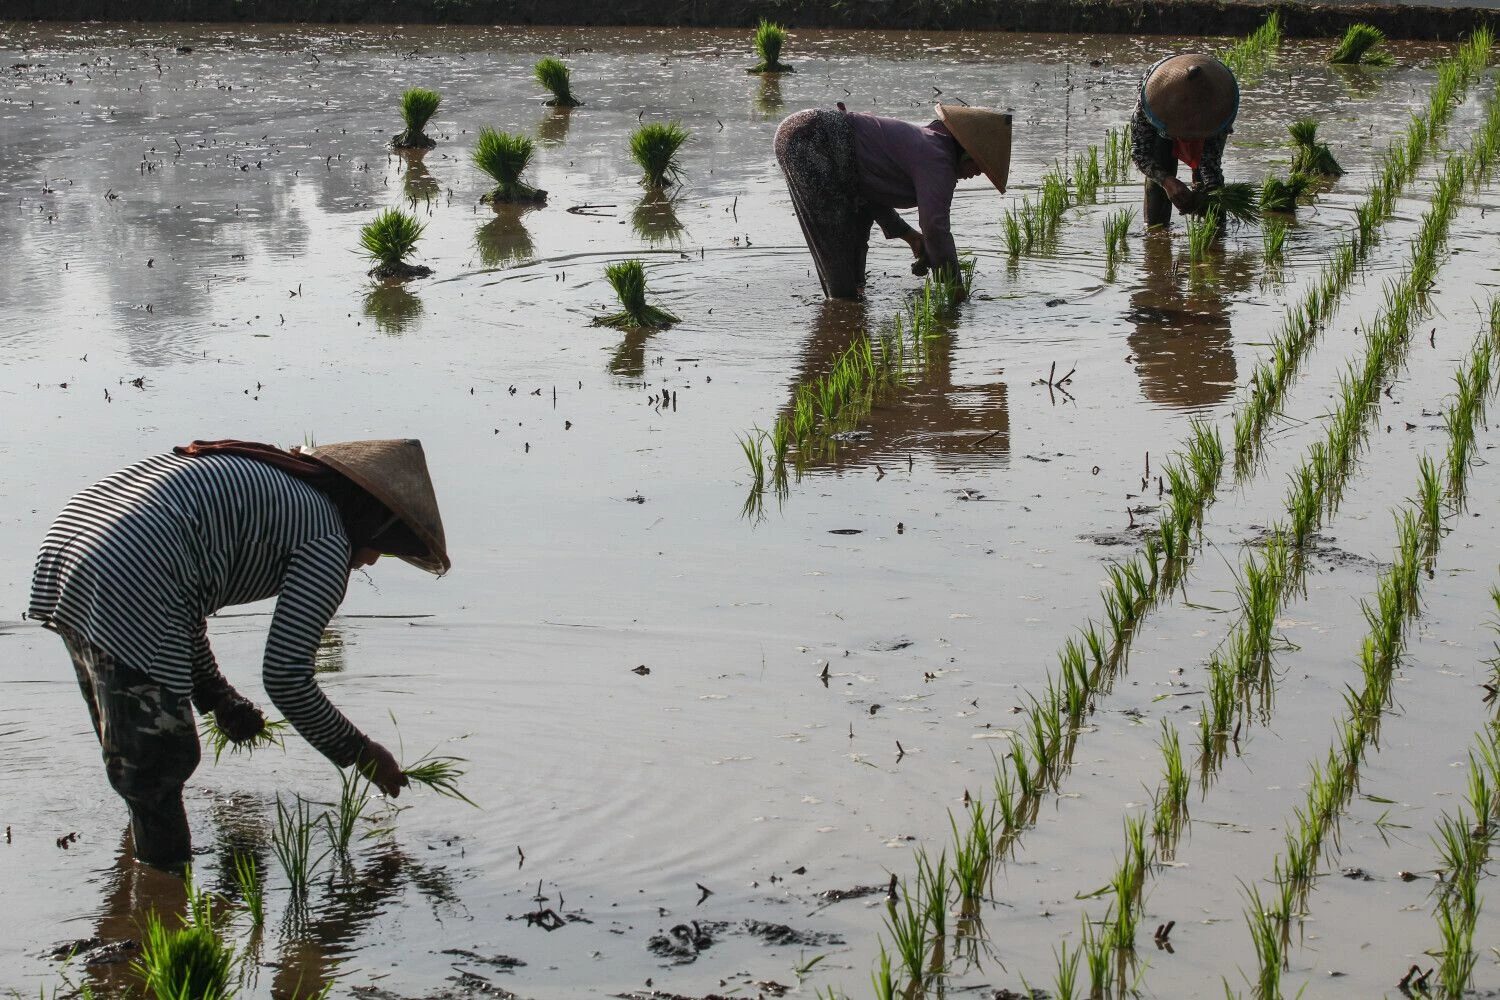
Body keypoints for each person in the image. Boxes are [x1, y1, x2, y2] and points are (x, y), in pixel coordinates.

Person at [28, 438, 450, 869]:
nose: (375, 561)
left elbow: (182, 602)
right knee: (161, 759)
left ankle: (138, 885)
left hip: (72, 547)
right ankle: (163, 894)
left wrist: (217, 697)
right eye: (386, 545)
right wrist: (360, 752)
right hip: (126, 568)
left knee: (134, 750)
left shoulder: (286, 490)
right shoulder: (326, 537)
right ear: (373, 522)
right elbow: (287, 677)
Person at [775, 102, 1012, 300]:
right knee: (836, 243)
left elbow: (872, 195)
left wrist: (911, 237)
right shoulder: (938, 158)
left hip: (815, 136)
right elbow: (935, 228)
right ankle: (842, 317)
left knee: (857, 227)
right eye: (978, 166)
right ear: (966, 151)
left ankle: (851, 308)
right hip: (811, 137)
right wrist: (956, 289)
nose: (976, 174)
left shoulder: (930, 145)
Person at [1130, 53, 1240, 227]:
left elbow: (1209, 163)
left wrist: (1209, 195)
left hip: (1209, 123)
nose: (1189, 133)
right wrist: (1166, 181)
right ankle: (1155, 231)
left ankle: (1215, 234)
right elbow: (1140, 152)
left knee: (1211, 189)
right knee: (1160, 176)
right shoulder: (1151, 100)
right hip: (1163, 131)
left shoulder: (1221, 102)